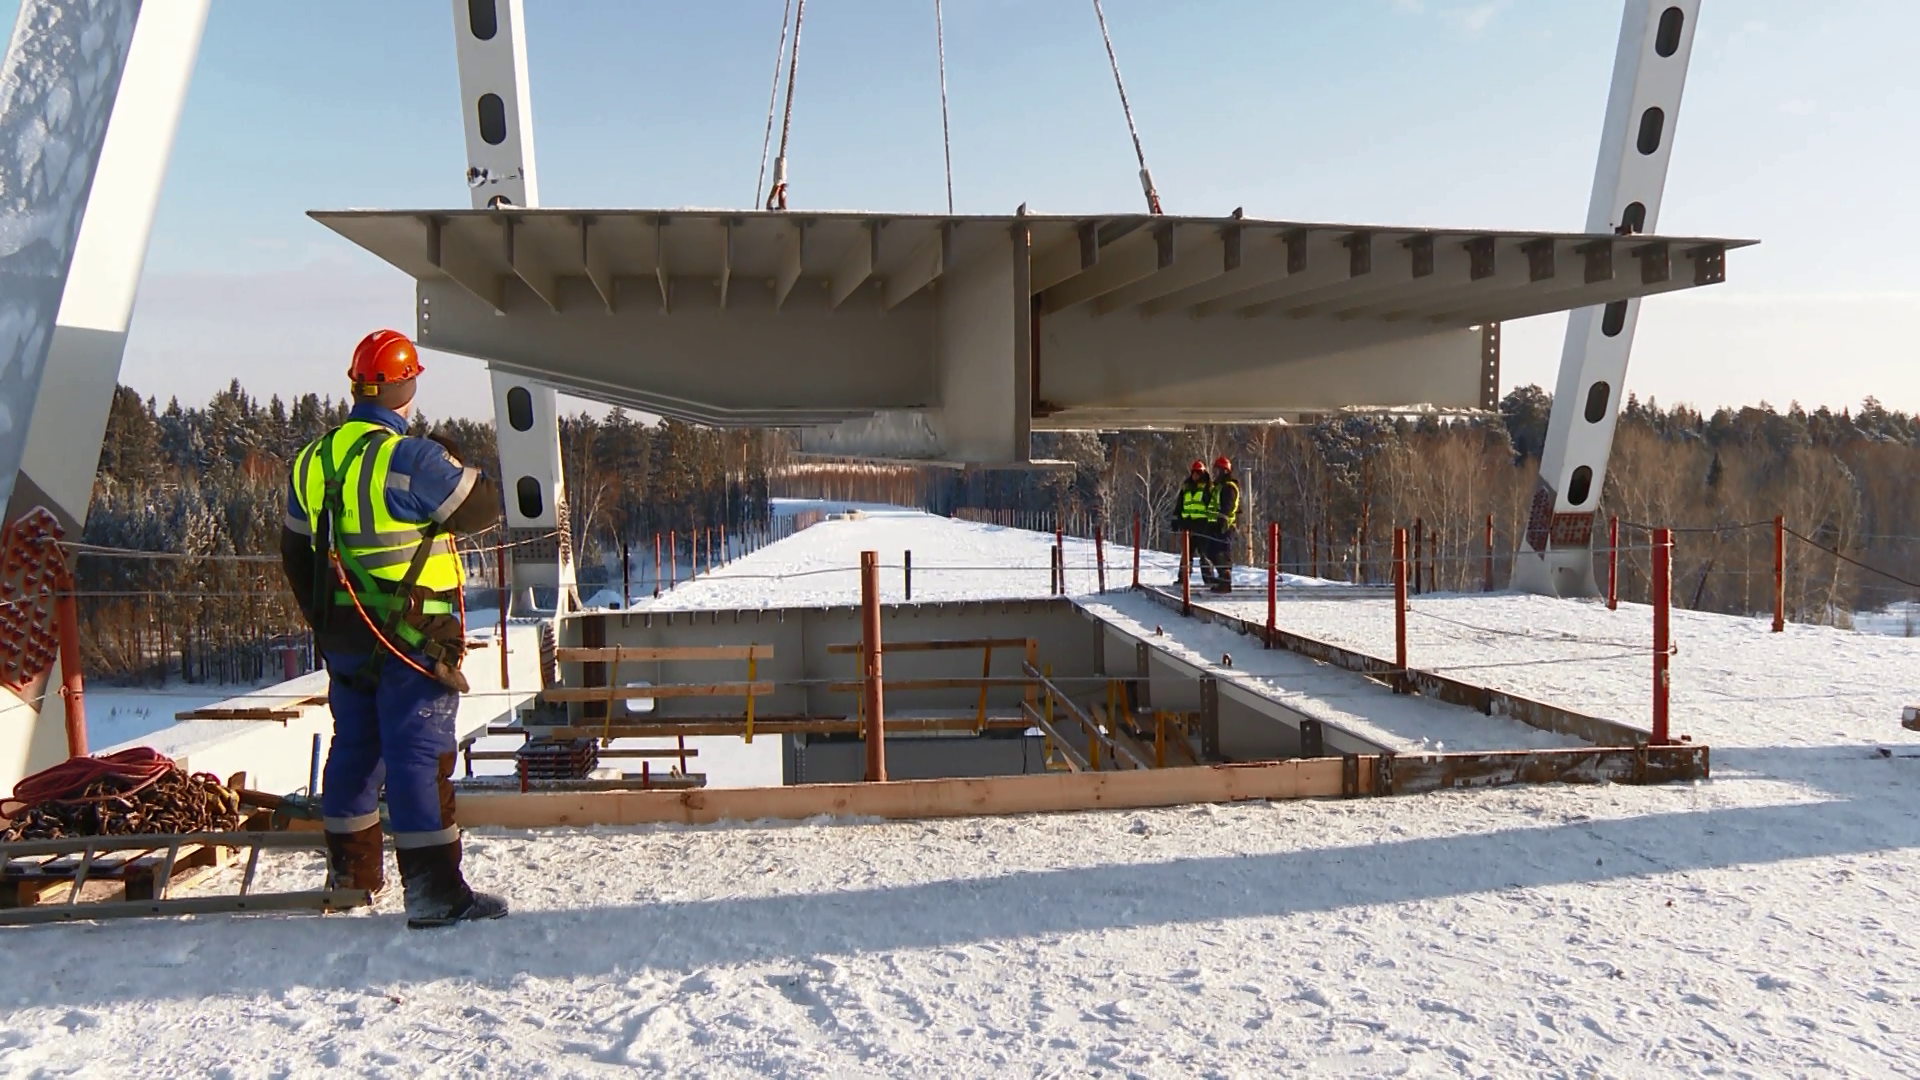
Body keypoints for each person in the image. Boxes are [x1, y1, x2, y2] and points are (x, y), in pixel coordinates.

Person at [280, 329, 508, 929]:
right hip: (413, 635)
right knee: (417, 752)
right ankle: (435, 892)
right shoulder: (410, 458)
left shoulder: (312, 459)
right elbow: (483, 507)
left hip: (345, 638)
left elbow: (295, 554)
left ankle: (351, 875)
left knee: (355, 745)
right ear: (406, 388)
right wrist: (451, 457)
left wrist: (326, 624)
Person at [1170, 459, 1216, 586]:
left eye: (1198, 472)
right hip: (1188, 526)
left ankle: (1209, 579)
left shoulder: (1208, 487)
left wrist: (1212, 523)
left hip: (1203, 525)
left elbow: (1212, 505)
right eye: (1194, 472)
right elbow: (1179, 505)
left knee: (1204, 554)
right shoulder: (1186, 487)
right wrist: (1176, 521)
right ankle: (1183, 579)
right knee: (1186, 554)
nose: (1196, 475)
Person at [1207, 455, 1242, 593]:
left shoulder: (1228, 487)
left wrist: (1222, 521)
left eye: (1218, 471)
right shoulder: (1218, 487)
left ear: (1225, 471)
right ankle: (1222, 578)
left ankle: (1225, 581)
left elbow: (1227, 506)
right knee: (1212, 551)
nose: (1215, 474)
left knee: (1222, 552)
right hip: (1215, 524)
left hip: (1224, 526)